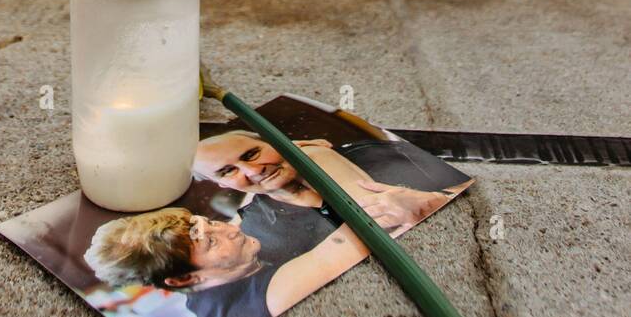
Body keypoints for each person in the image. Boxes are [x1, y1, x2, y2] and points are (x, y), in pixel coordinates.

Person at [85, 205, 368, 317]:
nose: (231, 231)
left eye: (209, 222)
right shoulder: (269, 296)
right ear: (184, 279)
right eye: (211, 243)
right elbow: (367, 231)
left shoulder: (223, 266)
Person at [193, 130, 465, 233]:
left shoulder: (372, 155)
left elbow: (463, 192)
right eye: (227, 171)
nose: (253, 171)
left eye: (252, 154)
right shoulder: (257, 224)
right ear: (223, 185)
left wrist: (435, 200)